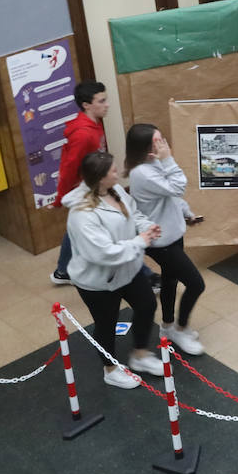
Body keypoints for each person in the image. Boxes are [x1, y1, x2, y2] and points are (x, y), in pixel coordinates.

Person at [64, 151, 163, 389]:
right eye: (113, 170)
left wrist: (147, 227)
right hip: (98, 281)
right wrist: (140, 242)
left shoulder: (114, 191)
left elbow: (133, 214)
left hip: (127, 269)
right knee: (106, 323)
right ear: (100, 178)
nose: (117, 172)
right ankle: (110, 370)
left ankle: (139, 354)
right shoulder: (82, 215)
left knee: (147, 304)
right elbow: (103, 253)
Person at [126, 124, 205, 355]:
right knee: (196, 283)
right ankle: (180, 329)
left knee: (170, 281)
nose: (164, 145)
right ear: (147, 148)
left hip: (173, 232)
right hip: (161, 241)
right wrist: (169, 159)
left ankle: (168, 325)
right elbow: (177, 186)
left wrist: (186, 212)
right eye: (158, 142)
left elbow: (169, 198)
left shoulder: (153, 164)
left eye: (163, 140)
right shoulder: (141, 172)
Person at [52, 81, 113, 287]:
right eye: (102, 101)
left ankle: (62, 271)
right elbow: (69, 168)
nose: (107, 105)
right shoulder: (83, 134)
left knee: (75, 229)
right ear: (87, 105)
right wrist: (61, 198)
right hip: (85, 189)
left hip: (95, 184)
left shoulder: (94, 124)